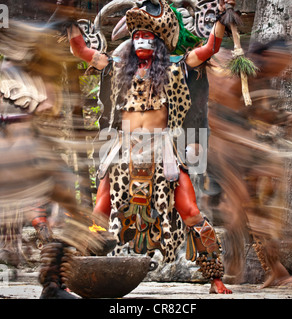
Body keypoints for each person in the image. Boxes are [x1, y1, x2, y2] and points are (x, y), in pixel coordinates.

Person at [68, 0, 233, 294]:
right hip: (124, 149)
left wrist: (221, 18)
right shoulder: (116, 67)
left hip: (162, 149)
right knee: (100, 209)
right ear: (131, 44)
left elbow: (210, 49)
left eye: (149, 37)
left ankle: (215, 275)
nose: (142, 40)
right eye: (137, 37)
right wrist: (67, 22)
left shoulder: (175, 67)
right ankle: (78, 269)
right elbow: (81, 50)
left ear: (158, 44)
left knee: (190, 209)